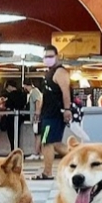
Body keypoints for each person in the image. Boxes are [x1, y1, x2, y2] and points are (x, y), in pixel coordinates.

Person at [33, 46, 72, 180]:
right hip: (47, 114)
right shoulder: (49, 73)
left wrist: (67, 109)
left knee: (49, 142)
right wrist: (39, 111)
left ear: (57, 56)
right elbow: (44, 95)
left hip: (55, 114)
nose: (47, 59)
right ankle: (77, 158)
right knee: (49, 142)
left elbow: (66, 92)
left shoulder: (60, 72)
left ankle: (48, 171)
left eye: (50, 56)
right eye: (45, 57)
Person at [0, 79, 27, 155]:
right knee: (17, 135)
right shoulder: (22, 94)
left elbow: (7, 105)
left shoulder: (10, 95)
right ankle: (18, 151)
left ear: (9, 86)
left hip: (11, 117)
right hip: (20, 117)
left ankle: (13, 151)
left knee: (11, 136)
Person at [24, 79, 43, 160]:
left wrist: (37, 113)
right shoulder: (36, 91)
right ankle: (40, 152)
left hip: (36, 117)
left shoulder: (34, 92)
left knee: (38, 135)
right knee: (37, 135)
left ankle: (36, 152)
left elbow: (37, 102)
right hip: (36, 116)